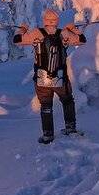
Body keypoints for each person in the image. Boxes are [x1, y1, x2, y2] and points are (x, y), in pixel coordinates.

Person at [13, 9, 85, 144]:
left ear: (44, 21)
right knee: (68, 101)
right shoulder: (64, 33)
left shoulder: (36, 33)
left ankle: (48, 135)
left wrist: (22, 29)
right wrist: (73, 29)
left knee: (46, 106)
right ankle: (70, 128)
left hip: (41, 78)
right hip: (60, 77)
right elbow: (82, 40)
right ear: (56, 21)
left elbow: (17, 40)